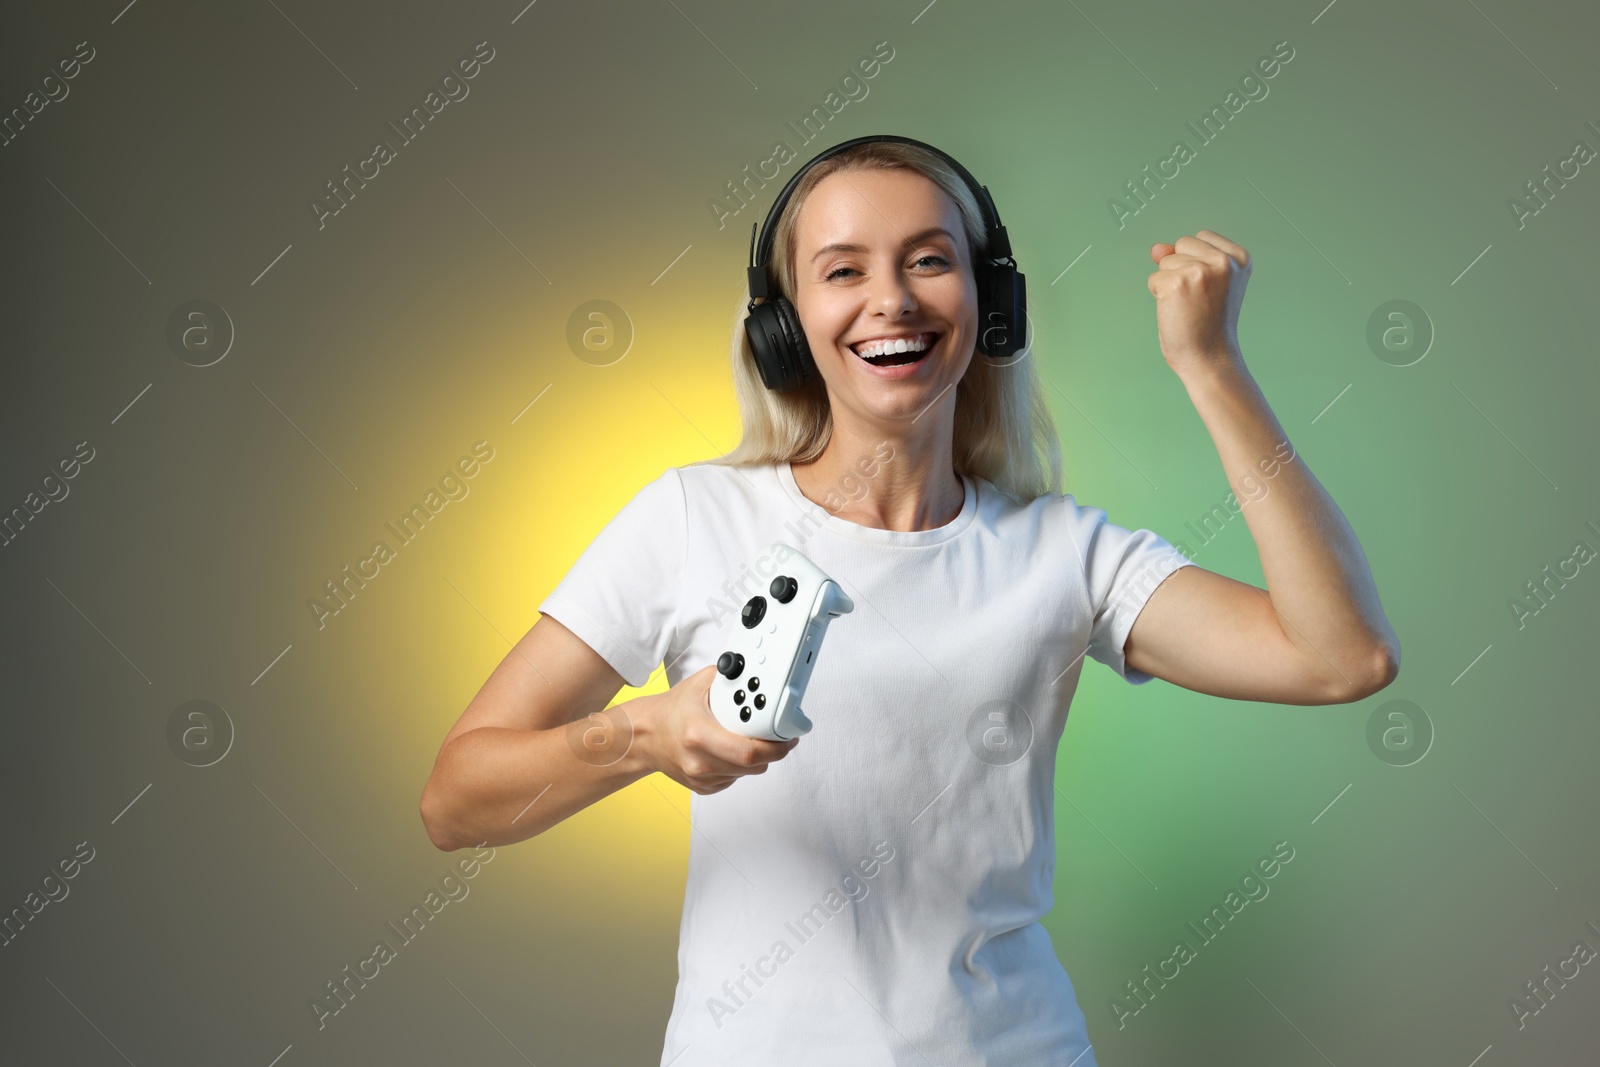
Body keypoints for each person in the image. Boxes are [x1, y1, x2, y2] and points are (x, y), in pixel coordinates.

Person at [419, 136, 1400, 1065]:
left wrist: (1210, 365)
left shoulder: (1064, 552)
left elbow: (1338, 657)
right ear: (783, 324)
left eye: (928, 261)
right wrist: (645, 735)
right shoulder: (690, 518)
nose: (890, 299)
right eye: (843, 269)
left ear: (991, 304)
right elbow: (457, 799)